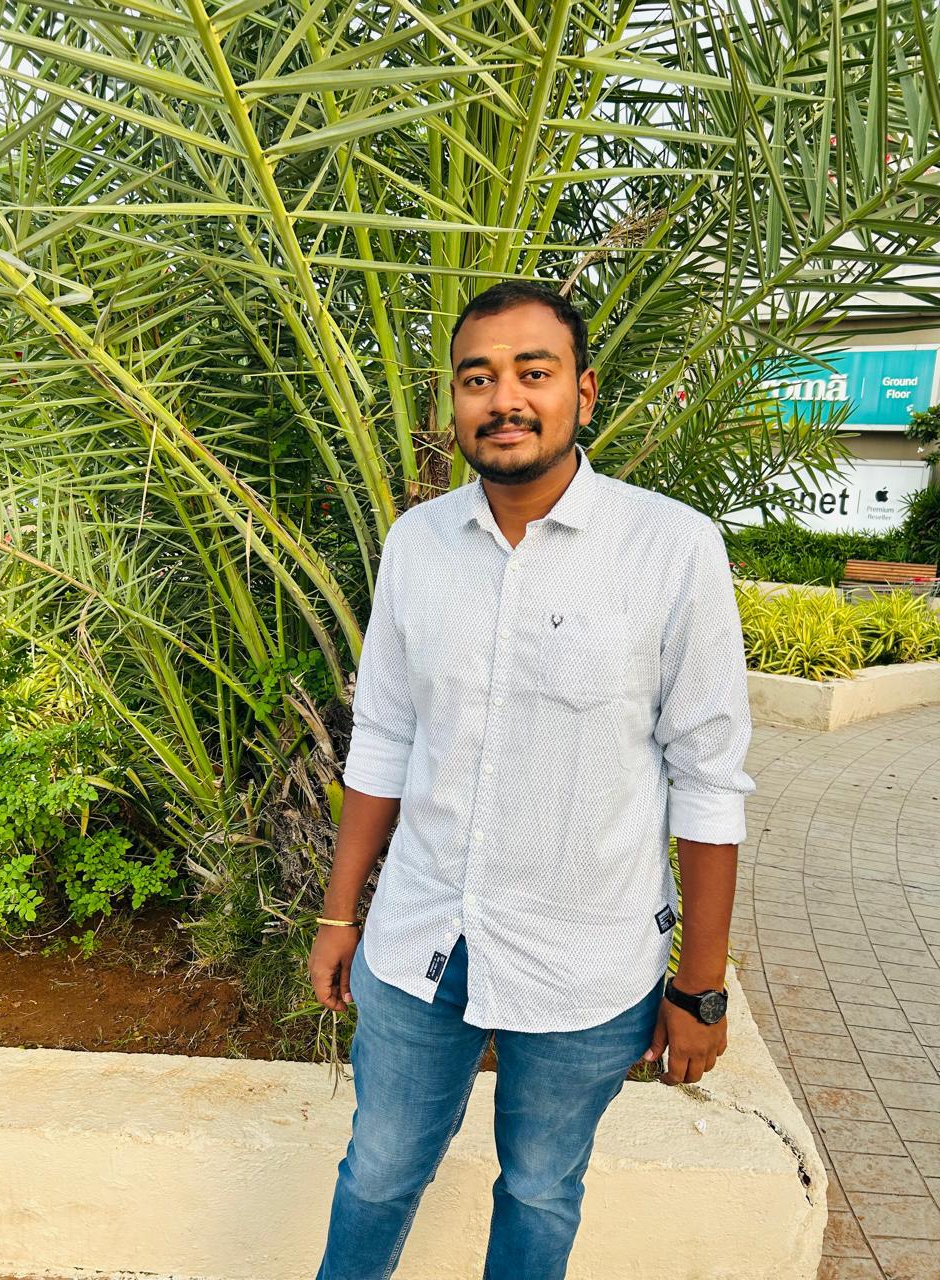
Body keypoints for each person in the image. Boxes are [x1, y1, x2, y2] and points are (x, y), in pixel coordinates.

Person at [309, 280, 755, 1280]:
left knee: (541, 1189)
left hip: (586, 956)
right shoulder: (418, 544)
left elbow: (709, 778)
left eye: (533, 372)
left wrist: (701, 988)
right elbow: (382, 737)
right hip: (420, 938)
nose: (504, 398)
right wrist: (340, 916)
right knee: (377, 1171)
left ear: (582, 392)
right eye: (477, 378)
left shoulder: (672, 548)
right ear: (455, 402)